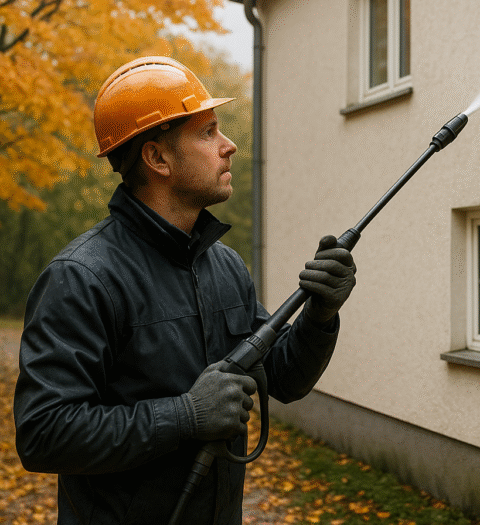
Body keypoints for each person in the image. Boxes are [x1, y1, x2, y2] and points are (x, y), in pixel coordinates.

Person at [13, 56, 357, 524]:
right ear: (157, 158)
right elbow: (44, 434)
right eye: (208, 132)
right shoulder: (81, 277)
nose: (229, 146)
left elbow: (283, 377)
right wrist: (186, 415)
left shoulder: (225, 265)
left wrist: (319, 317)